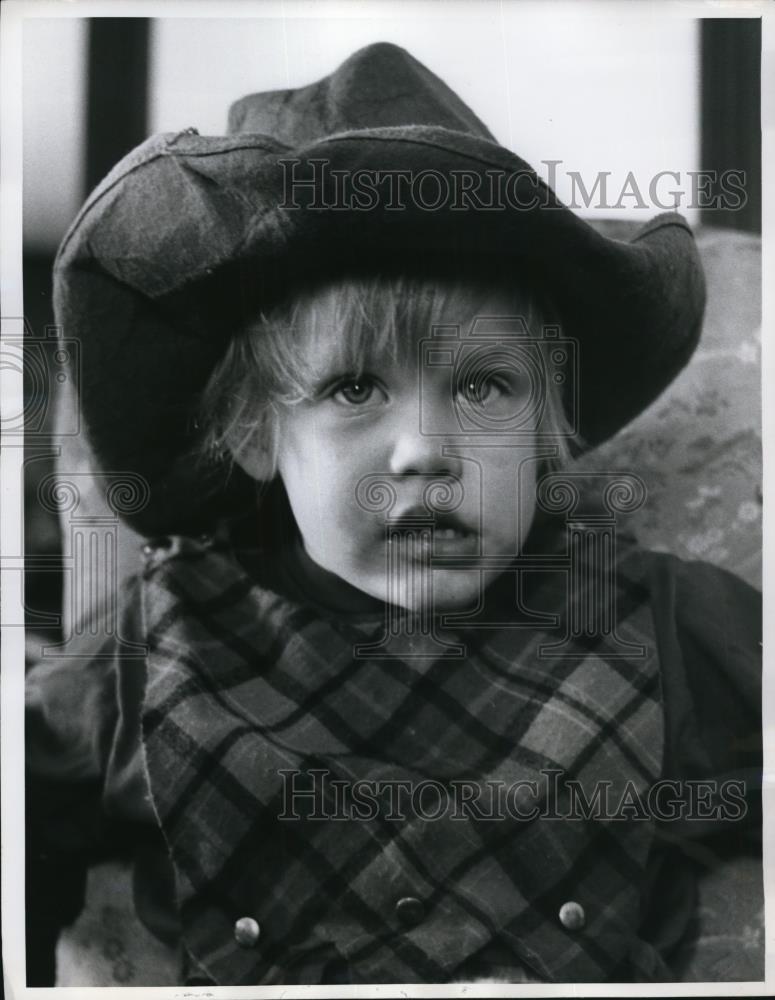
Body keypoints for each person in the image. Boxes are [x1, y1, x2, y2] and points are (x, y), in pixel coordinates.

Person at [25, 43, 761, 986]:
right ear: (256, 437)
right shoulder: (152, 651)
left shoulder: (661, 625)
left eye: (485, 386)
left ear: (547, 428)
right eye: (356, 385)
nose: (427, 451)